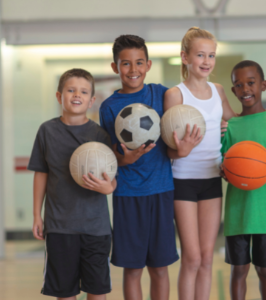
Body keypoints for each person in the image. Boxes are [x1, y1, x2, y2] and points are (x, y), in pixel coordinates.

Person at [163, 28, 266, 300]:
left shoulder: (218, 90)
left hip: (213, 179)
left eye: (211, 55)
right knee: (192, 257)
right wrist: (182, 150)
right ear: (185, 57)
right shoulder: (175, 94)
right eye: (200, 54)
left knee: (208, 258)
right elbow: (168, 149)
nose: (207, 60)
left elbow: (240, 119)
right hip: (183, 181)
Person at [99, 35, 178, 300]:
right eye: (125, 64)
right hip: (128, 194)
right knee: (132, 269)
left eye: (139, 63)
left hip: (161, 191)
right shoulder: (109, 107)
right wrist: (125, 160)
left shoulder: (162, 93)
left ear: (148, 65)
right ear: (114, 67)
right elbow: (111, 156)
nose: (133, 70)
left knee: (159, 267)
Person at [29, 68, 117, 300]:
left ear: (91, 100)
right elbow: (41, 174)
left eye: (83, 91)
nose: (77, 95)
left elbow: (112, 179)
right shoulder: (47, 131)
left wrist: (110, 188)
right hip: (59, 227)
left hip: (96, 228)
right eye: (71, 90)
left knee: (97, 291)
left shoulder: (100, 135)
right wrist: (37, 215)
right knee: (65, 293)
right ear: (59, 96)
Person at [220, 60, 266, 300]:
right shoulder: (230, 127)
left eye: (251, 83)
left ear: (263, 85)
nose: (245, 89)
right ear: (233, 91)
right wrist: (224, 170)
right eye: (238, 85)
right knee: (238, 270)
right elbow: (225, 164)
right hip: (236, 214)